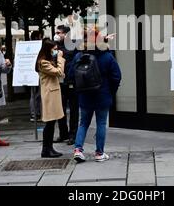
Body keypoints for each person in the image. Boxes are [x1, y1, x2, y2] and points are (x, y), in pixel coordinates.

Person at [69, 30, 122, 163]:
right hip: (103, 95)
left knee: (83, 123)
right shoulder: (107, 56)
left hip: (85, 96)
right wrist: (111, 91)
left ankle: (78, 150)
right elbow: (117, 76)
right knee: (101, 123)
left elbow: (71, 76)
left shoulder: (79, 56)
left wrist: (79, 90)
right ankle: (99, 153)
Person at [35, 40, 65, 158]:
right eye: (54, 49)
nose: (56, 51)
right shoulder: (43, 62)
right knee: (50, 123)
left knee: (52, 123)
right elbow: (58, 71)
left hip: (53, 93)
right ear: (48, 49)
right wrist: (60, 59)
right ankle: (46, 149)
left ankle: (49, 148)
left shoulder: (47, 61)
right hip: (49, 95)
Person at [54, 25, 78, 145]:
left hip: (72, 82)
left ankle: (73, 134)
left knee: (73, 109)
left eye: (59, 33)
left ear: (66, 34)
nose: (57, 35)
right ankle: (63, 133)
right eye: (56, 32)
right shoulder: (55, 46)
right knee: (60, 109)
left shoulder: (73, 45)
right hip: (59, 82)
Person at [30, 31, 43, 122]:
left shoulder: (30, 46)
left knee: (34, 95)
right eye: (40, 37)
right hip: (37, 73)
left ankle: (35, 114)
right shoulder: (38, 47)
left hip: (31, 73)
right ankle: (36, 113)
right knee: (37, 95)